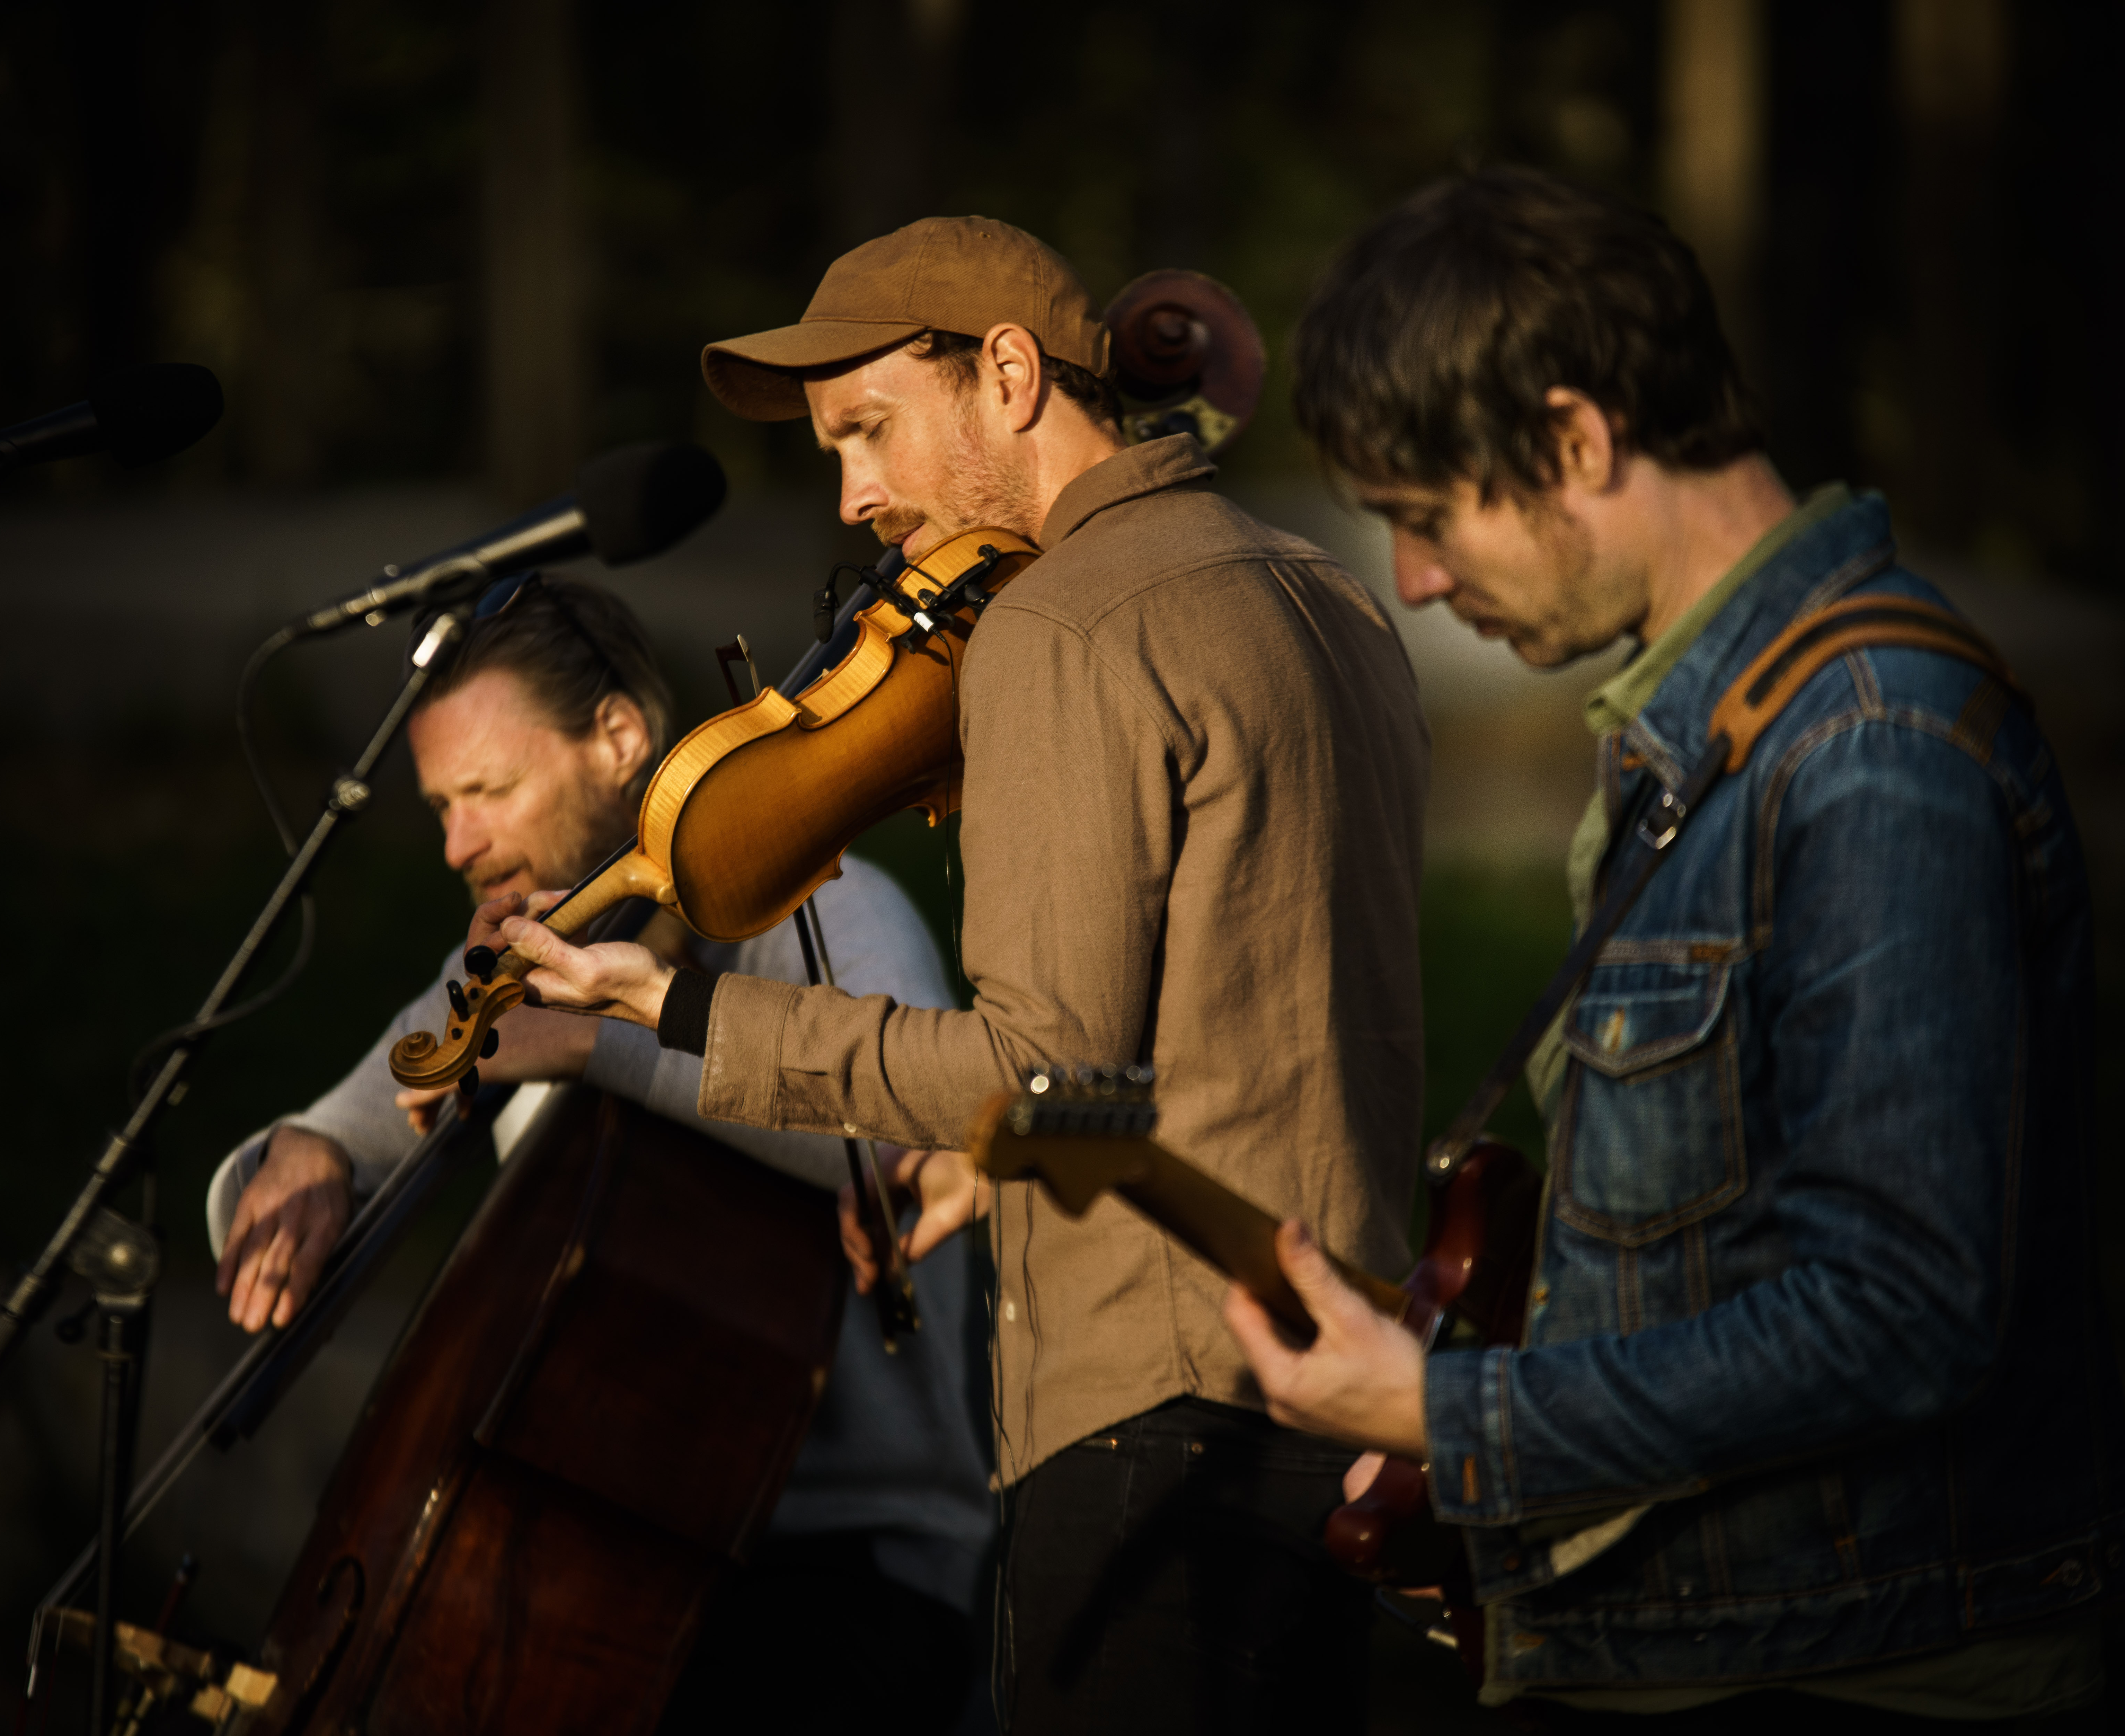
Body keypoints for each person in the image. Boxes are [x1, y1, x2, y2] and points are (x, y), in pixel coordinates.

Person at [470, 215, 1431, 1731]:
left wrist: (673, 1005)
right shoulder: (1329, 597)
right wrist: (1002, 1166)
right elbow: (1222, 1063)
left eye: (869, 430)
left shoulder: (1058, 621)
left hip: (1145, 1430)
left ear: (1003, 373)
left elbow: (1030, 1060)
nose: (855, 498)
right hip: (1343, 1402)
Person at [1223, 165, 2125, 1731]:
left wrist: (1461, 1410)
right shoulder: (1715, 733)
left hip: (1852, 1677)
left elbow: (1901, 1306)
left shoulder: (1869, 745)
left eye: (1429, 515)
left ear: (1578, 440)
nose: (1418, 581)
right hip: (1718, 1653)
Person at [205, 576, 991, 1735]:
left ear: (619, 738)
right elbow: (368, 1108)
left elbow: (909, 1132)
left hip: (859, 1565)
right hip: (615, 1549)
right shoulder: (522, 959)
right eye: (439, 807)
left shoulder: (836, 912)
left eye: (488, 790)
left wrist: (593, 1047)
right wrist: (306, 1154)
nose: (458, 842)